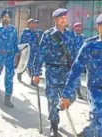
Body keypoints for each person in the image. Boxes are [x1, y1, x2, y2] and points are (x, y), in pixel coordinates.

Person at [59, 12, 102, 137]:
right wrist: (66, 95)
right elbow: (76, 70)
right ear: (98, 27)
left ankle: (87, 133)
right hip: (96, 92)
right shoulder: (90, 45)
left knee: (98, 121)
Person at [32, 8, 77, 137]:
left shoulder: (71, 34)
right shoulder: (48, 34)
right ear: (55, 20)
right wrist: (36, 73)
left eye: (65, 17)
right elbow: (40, 54)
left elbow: (75, 52)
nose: (64, 20)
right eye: (61, 18)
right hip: (52, 71)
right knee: (52, 99)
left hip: (66, 71)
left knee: (71, 96)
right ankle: (54, 126)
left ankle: (57, 108)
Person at [17, 18, 39, 86]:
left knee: (32, 66)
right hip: (26, 51)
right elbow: (21, 41)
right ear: (28, 24)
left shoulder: (36, 32)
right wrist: (20, 49)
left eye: (33, 23)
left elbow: (37, 42)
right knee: (24, 64)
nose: (32, 25)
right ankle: (20, 73)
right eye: (31, 23)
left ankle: (32, 81)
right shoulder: (25, 31)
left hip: (34, 51)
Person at [72, 21, 86, 99]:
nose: (78, 30)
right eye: (77, 28)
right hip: (72, 59)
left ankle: (78, 91)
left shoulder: (83, 37)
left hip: (80, 60)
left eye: (80, 28)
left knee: (78, 76)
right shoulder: (72, 37)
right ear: (74, 29)